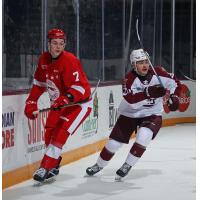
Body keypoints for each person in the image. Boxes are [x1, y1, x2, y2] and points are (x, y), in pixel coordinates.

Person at [86, 48, 181, 180]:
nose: (145, 65)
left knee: (144, 136)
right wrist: (148, 92)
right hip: (129, 114)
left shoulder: (159, 73)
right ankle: (99, 165)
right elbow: (132, 102)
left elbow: (175, 83)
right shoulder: (128, 80)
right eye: (140, 62)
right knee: (113, 144)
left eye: (146, 61)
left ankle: (127, 165)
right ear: (133, 65)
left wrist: (174, 97)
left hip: (152, 114)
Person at [24, 28, 92, 182]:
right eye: (54, 43)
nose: (58, 47)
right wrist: (31, 102)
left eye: (61, 43)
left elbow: (79, 87)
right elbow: (39, 84)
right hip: (60, 104)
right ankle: (54, 166)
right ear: (48, 44)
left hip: (79, 105)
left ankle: (45, 167)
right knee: (49, 132)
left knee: (60, 133)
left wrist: (65, 99)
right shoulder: (44, 59)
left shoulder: (70, 60)